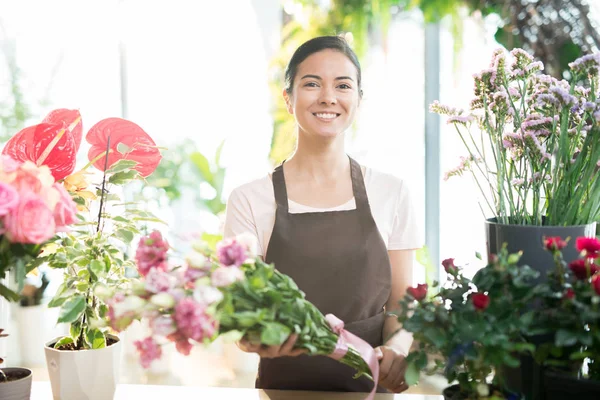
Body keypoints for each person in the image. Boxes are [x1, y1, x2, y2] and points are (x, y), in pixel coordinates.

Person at [223, 35, 422, 394]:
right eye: (312, 83)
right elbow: (241, 319)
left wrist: (398, 348)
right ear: (288, 98)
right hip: (282, 391)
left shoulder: (392, 192)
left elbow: (402, 307)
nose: (328, 97)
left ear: (358, 100)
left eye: (343, 85)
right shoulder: (248, 199)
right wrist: (256, 340)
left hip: (372, 390)